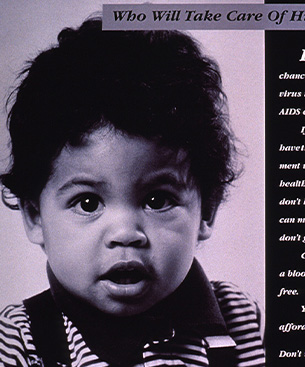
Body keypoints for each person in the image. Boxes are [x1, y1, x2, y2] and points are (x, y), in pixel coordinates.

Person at [0, 18, 265, 367]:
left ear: (208, 210)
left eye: (158, 200)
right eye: (88, 202)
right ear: (34, 215)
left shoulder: (241, 320)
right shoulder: (20, 340)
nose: (126, 234)